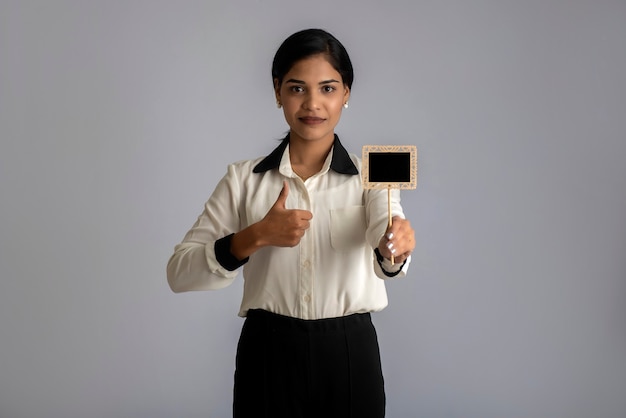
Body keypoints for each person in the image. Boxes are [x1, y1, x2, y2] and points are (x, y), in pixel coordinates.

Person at [167, 28, 415, 418]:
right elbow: (179, 274)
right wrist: (253, 237)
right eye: (298, 88)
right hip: (268, 351)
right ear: (278, 90)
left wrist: (393, 247)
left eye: (328, 88)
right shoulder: (243, 180)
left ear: (346, 93)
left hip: (349, 354)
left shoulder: (374, 175)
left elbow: (386, 235)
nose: (313, 104)